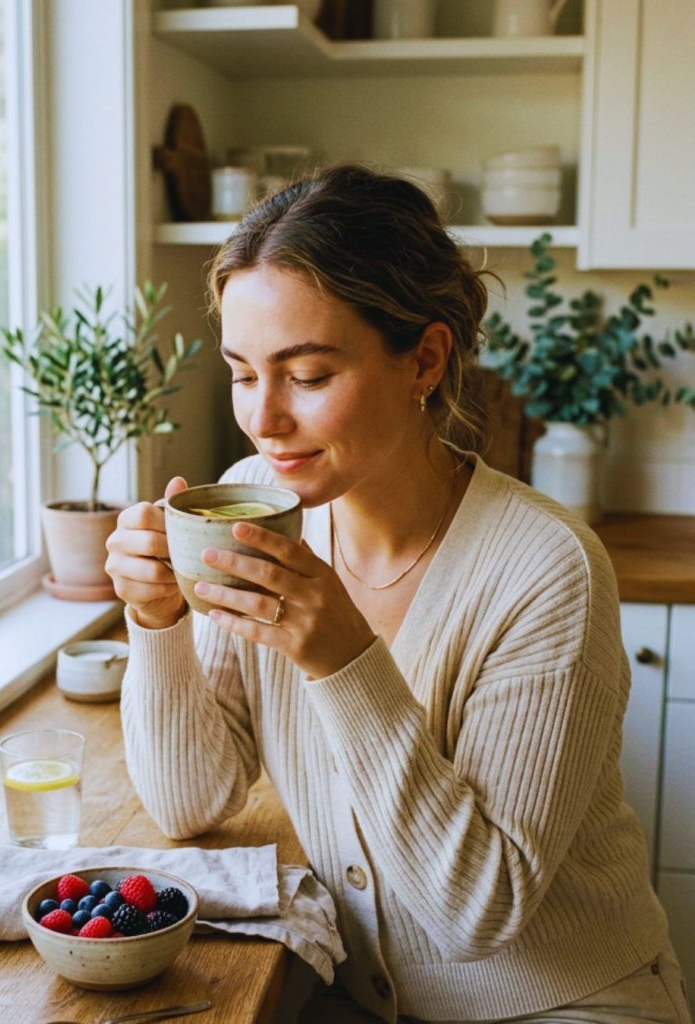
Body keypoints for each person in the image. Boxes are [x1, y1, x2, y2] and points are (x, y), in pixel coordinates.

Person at [105, 165, 691, 1024]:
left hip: (565, 1001)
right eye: (241, 372)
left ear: (423, 358)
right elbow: (191, 804)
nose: (263, 420)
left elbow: (474, 913)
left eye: (305, 376)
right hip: (361, 996)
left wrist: (343, 658)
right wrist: (157, 621)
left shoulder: (545, 568)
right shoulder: (253, 502)